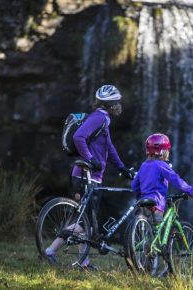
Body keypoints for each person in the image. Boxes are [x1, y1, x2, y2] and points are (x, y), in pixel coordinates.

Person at [45, 84, 134, 270]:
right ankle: (50, 251)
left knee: (86, 223)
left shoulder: (104, 120)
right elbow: (79, 137)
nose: (119, 105)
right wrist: (91, 159)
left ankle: (83, 262)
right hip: (86, 176)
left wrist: (123, 168)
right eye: (116, 102)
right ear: (110, 105)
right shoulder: (99, 117)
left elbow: (109, 149)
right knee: (84, 223)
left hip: (91, 177)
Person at [132, 133, 193, 224]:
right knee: (158, 230)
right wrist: (190, 191)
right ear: (162, 151)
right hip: (156, 204)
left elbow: (134, 185)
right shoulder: (161, 165)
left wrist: (140, 196)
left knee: (147, 231)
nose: (168, 152)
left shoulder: (143, 165)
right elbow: (176, 180)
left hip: (143, 203)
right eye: (167, 150)